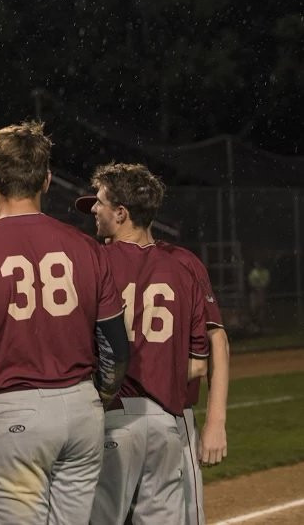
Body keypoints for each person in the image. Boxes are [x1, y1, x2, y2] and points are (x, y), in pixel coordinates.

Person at [0, 121, 129, 525]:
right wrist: (100, 397)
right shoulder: (86, 248)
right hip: (80, 408)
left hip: (11, 412)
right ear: (47, 179)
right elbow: (116, 347)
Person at [75, 188, 230, 525]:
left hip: (112, 410)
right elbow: (206, 352)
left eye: (99, 204)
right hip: (168, 414)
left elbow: (216, 339)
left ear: (121, 213)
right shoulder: (181, 262)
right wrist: (163, 374)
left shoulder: (93, 261)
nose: (94, 212)